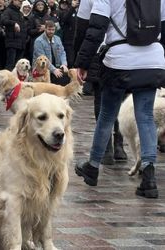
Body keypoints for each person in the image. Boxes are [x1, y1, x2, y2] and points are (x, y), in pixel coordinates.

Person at [74, 0, 165, 199]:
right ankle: (149, 175)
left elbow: (96, 27)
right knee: (146, 116)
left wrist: (82, 62)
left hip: (119, 59)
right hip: (153, 58)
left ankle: (93, 166)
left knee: (107, 115)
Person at [74, 0, 127, 165]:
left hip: (100, 51)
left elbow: (82, 28)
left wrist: (80, 60)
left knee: (101, 102)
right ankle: (119, 146)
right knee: (122, 99)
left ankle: (107, 149)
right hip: (125, 49)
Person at [33, 20, 69, 85]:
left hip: (56, 65)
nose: (51, 32)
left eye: (53, 30)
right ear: (45, 29)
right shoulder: (38, 41)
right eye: (49, 29)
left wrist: (64, 64)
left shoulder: (57, 39)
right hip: (43, 68)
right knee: (59, 80)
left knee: (67, 77)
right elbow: (43, 60)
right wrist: (54, 70)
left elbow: (62, 52)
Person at [1, 0, 27, 71]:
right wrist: (14, 23)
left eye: (21, 2)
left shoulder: (20, 13)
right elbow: (3, 20)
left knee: (19, 67)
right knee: (10, 65)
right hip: (12, 43)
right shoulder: (8, 11)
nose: (21, 3)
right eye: (19, 1)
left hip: (21, 44)